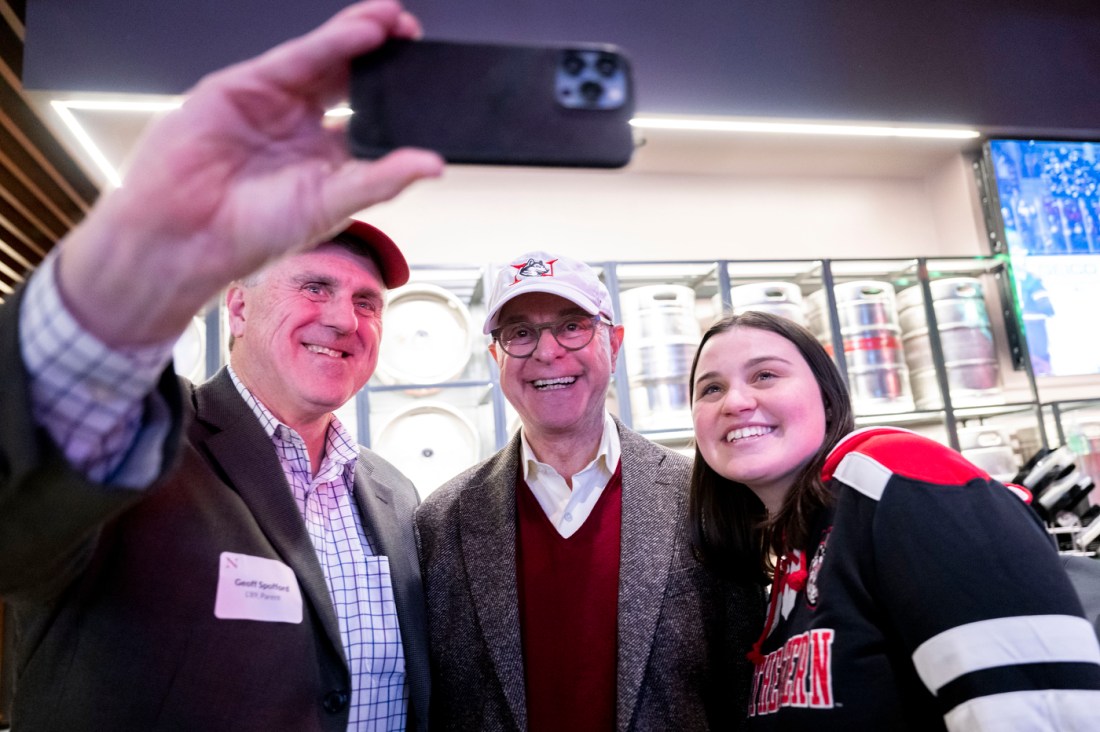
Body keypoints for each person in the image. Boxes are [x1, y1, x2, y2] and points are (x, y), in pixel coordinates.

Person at [0, 2, 446, 730]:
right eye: (314, 286)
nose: (344, 318)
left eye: (368, 301)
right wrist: (128, 266)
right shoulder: (140, 445)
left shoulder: (396, 496)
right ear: (237, 308)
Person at [687, 310, 1100, 730]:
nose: (735, 402)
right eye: (712, 388)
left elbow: (1043, 708)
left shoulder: (893, 474)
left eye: (765, 376)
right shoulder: (796, 552)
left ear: (827, 398)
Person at [414, 251, 764, 731]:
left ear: (613, 345)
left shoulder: (705, 500)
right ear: (496, 357)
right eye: (519, 333)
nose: (546, 351)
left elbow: (745, 693)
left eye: (572, 326)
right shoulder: (442, 520)